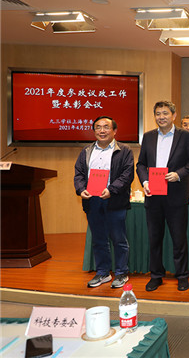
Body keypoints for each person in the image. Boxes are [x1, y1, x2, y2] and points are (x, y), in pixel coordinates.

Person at [136, 101, 189, 292]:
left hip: (176, 195)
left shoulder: (185, 136)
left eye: (165, 113)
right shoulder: (148, 136)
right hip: (153, 195)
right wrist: (145, 181)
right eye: (158, 114)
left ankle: (182, 276)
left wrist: (178, 174)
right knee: (154, 238)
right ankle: (156, 275)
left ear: (174, 115)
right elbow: (141, 164)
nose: (161, 117)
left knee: (179, 239)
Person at [74, 116, 134, 289]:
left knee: (118, 239)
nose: (102, 131)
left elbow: (127, 175)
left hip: (114, 200)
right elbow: (79, 173)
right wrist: (81, 189)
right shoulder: (86, 151)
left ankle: (121, 273)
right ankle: (103, 272)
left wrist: (112, 190)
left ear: (114, 131)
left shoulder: (124, 150)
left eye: (106, 127)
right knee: (99, 239)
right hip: (92, 200)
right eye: (98, 127)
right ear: (94, 131)